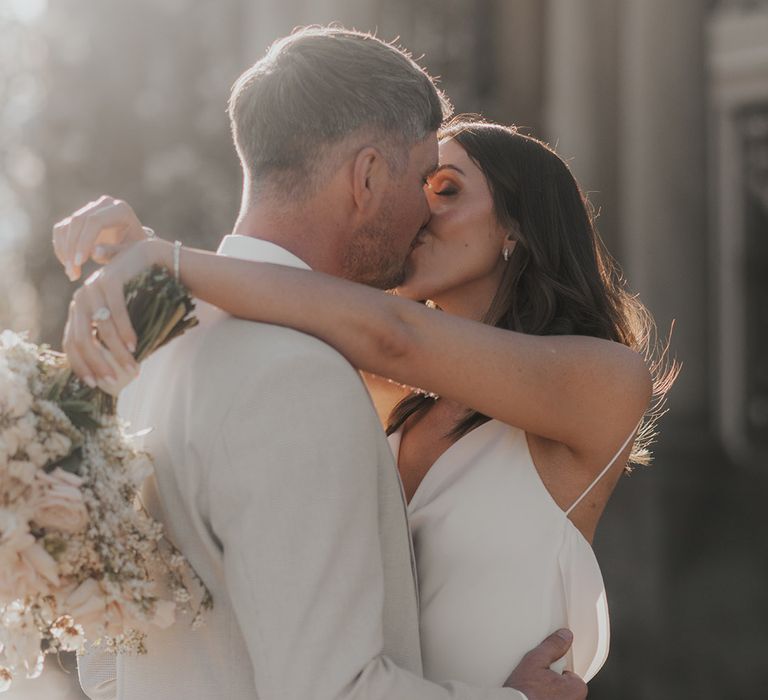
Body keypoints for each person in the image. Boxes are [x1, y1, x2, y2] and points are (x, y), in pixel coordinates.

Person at [55, 26, 590, 700]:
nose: (423, 212)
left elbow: (108, 664)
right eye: (424, 178)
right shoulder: (298, 376)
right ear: (366, 178)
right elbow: (332, 691)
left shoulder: (152, 355)